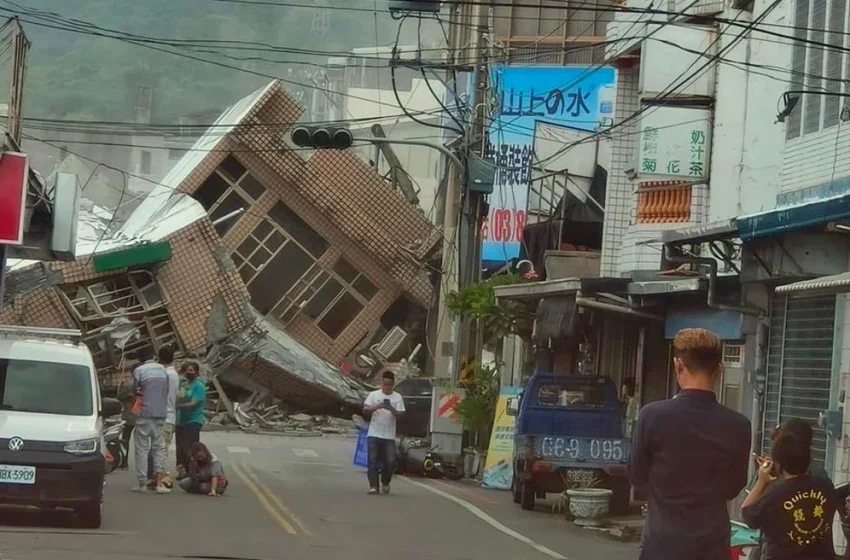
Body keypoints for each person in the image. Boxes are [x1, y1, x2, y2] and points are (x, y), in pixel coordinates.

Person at [627, 328, 752, 560]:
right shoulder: (738, 425)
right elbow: (734, 486)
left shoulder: (651, 416)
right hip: (711, 544)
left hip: (663, 542)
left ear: (678, 366)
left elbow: (636, 475)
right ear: (718, 370)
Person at [741, 430, 837, 559]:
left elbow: (747, 515)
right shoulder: (826, 485)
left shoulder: (775, 495)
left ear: (778, 464)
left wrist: (761, 481)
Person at [131, 346, 171, 494]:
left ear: (140, 359)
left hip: (145, 414)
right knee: (158, 448)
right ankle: (160, 483)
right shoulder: (163, 370)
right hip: (161, 414)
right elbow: (166, 391)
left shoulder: (139, 371)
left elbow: (136, 390)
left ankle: (142, 484)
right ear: (153, 355)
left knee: (141, 449)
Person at [362, 370, 405, 495]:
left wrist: (391, 409)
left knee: (390, 461)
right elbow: (365, 410)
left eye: (389, 385)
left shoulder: (398, 397)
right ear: (381, 383)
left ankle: (385, 481)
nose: (387, 387)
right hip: (374, 433)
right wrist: (376, 407)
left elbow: (401, 415)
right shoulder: (374, 395)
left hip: (389, 435)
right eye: (385, 384)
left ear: (393, 385)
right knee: (372, 460)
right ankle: (374, 486)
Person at [146, 345, 180, 488]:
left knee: (159, 449)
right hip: (166, 415)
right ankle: (156, 477)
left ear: (158, 358)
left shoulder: (165, 375)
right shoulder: (173, 374)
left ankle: (162, 478)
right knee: (157, 449)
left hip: (164, 416)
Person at [175, 361, 205, 479]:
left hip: (194, 419)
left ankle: (191, 470)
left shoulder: (199, 386)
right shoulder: (183, 385)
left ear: (196, 372)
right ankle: (181, 469)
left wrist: (179, 406)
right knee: (179, 448)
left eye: (191, 371)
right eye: (187, 371)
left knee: (187, 447)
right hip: (180, 419)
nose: (189, 373)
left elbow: (194, 403)